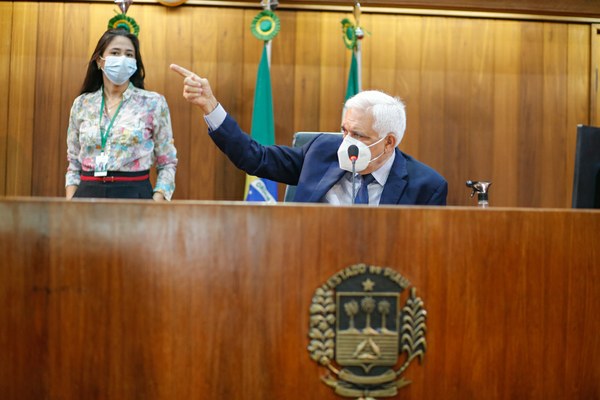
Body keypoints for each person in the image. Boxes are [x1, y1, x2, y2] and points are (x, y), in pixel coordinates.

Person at [170, 64, 447, 205]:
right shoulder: (322, 151)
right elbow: (255, 157)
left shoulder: (427, 186)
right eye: (345, 130)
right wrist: (210, 107)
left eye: (359, 135)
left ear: (389, 142)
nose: (347, 142)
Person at [66, 29, 178, 200]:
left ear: (135, 63)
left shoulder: (153, 103)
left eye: (129, 54)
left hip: (135, 195)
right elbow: (74, 163)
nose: (122, 59)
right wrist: (70, 202)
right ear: (99, 60)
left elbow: (167, 162)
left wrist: (156, 202)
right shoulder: (82, 104)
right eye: (115, 53)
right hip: (87, 195)